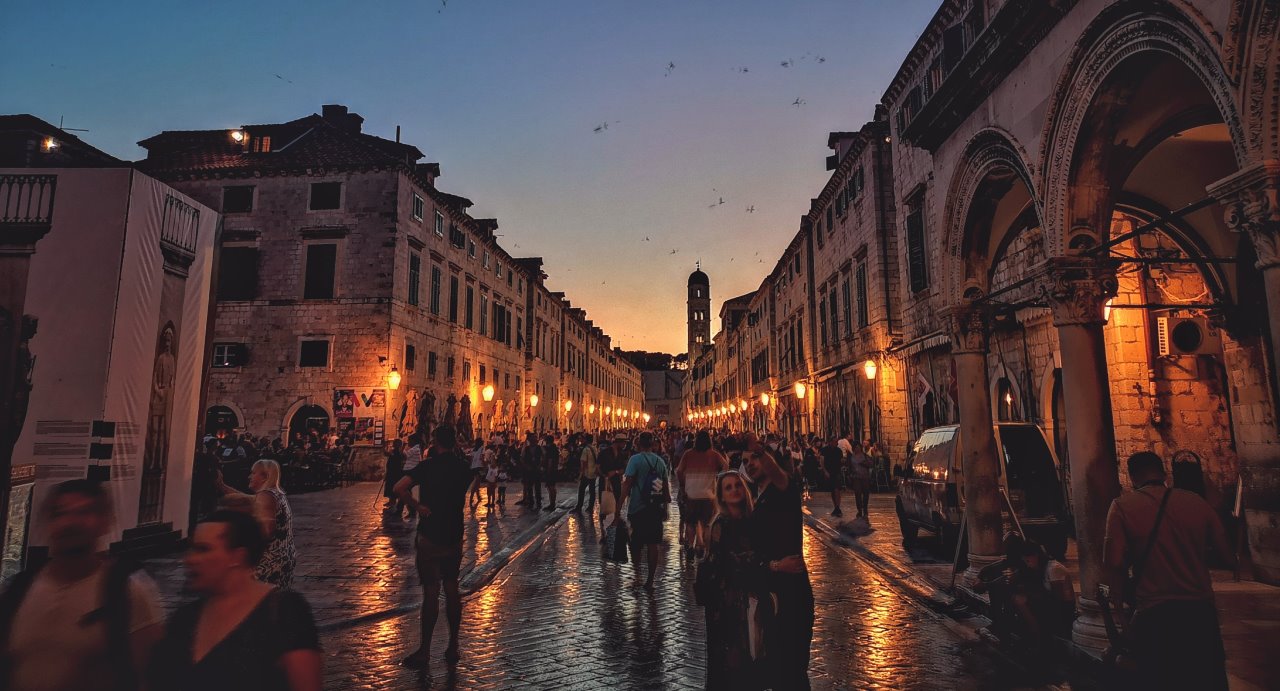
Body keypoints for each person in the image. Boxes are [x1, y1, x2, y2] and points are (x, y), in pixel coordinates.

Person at [0, 480, 163, 691]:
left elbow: (150, 672)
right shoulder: (19, 591)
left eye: (84, 512)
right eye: (60, 513)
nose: (70, 522)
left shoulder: (127, 593)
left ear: (104, 522)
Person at [149, 510, 322, 690]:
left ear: (236, 557)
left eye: (203, 549)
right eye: (191, 549)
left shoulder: (284, 612)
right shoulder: (184, 619)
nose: (190, 559)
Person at [1104, 451, 1233, 690]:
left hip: (1156, 611)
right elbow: (1227, 555)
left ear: (1132, 477)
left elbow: (1114, 563)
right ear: (1164, 473)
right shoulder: (1196, 502)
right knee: (1206, 676)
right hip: (1200, 609)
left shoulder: (1123, 507)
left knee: (1159, 677)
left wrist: (1120, 614)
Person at [395, 424, 474, 668]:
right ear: (454, 443)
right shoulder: (464, 468)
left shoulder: (426, 467)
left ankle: (425, 651)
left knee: (430, 591)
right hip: (453, 534)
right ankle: (453, 646)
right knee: (452, 589)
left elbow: (399, 487)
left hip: (430, 534)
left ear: (435, 441)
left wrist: (417, 506)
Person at [744, 448, 813, 690]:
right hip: (770, 589)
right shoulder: (757, 496)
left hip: (792, 592)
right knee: (775, 667)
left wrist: (758, 448)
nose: (751, 464)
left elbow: (777, 474)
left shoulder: (785, 491)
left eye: (756, 458)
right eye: (746, 461)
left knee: (793, 670)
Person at [700, 470, 759, 690]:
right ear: (721, 496)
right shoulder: (720, 524)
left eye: (737, 485)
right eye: (728, 487)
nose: (734, 490)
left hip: (750, 597)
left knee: (752, 654)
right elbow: (723, 562)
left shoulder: (752, 519)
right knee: (730, 658)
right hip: (727, 601)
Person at [218, 459, 297, 588]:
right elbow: (245, 498)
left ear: (265, 477)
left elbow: (266, 531)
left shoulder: (266, 496)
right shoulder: (275, 494)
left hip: (269, 561)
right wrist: (222, 486)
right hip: (283, 556)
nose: (250, 476)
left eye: (253, 473)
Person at [616, 432, 669, 591]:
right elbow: (665, 488)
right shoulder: (660, 461)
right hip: (655, 508)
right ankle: (650, 580)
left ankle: (637, 573)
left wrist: (618, 507)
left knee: (636, 543)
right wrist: (665, 509)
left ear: (638, 444)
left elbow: (627, 484)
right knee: (653, 544)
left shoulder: (635, 460)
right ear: (653, 444)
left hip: (638, 507)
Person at [676, 430, 728, 557]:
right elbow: (726, 467)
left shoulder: (688, 454)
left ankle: (690, 545)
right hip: (708, 495)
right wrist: (717, 479)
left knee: (690, 522)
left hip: (691, 494)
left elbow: (678, 471)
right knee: (706, 523)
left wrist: (683, 485)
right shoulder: (714, 455)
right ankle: (703, 547)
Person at [819, 437, 845, 518]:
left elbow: (841, 461)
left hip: (837, 472)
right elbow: (822, 461)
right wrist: (825, 471)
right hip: (829, 472)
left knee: (837, 489)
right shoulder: (824, 450)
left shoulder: (838, 451)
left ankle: (837, 507)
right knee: (833, 490)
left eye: (836, 442)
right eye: (834, 442)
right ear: (830, 442)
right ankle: (836, 507)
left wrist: (843, 464)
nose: (836, 443)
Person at [574, 433, 599, 513]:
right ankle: (590, 507)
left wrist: (581, 474)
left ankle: (579, 506)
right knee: (592, 491)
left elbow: (583, 463)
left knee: (581, 490)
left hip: (587, 473)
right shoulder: (594, 448)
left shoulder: (585, 450)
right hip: (593, 472)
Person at [384, 439, 407, 517]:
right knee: (390, 486)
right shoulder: (399, 452)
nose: (393, 444)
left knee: (392, 486)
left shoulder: (397, 452)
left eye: (394, 443)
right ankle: (391, 500)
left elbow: (386, 453)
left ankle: (393, 501)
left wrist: (384, 446)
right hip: (393, 472)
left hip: (394, 472)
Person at [541, 434, 561, 512]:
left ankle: (552, 504)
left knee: (551, 487)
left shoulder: (551, 449)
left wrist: (548, 470)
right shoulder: (554, 448)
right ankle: (552, 503)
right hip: (554, 469)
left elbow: (550, 460)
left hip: (551, 470)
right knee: (551, 487)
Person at [467, 438, 487, 509]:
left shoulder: (474, 449)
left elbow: (471, 458)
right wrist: (485, 465)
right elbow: (482, 457)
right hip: (479, 466)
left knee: (477, 482)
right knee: (476, 482)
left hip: (474, 466)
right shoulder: (482, 448)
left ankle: (478, 496)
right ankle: (471, 497)